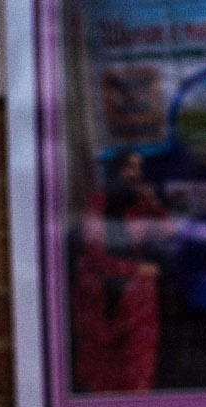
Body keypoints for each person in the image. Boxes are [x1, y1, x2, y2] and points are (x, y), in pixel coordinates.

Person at [72, 147, 167, 394]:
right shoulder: (98, 202)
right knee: (101, 363)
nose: (133, 174)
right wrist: (135, 268)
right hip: (99, 285)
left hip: (131, 285)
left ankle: (135, 400)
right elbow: (95, 255)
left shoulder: (139, 201)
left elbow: (169, 230)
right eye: (128, 167)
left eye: (138, 168)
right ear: (116, 170)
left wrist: (154, 201)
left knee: (141, 317)